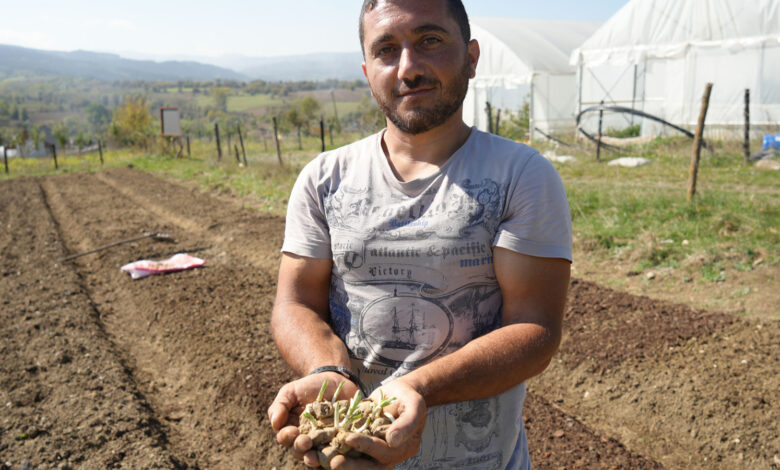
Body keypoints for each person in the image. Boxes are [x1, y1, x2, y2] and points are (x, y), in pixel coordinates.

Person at [267, 0, 572, 468]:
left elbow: (535, 329)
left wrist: (417, 388)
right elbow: (295, 303)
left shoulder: (520, 175)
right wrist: (328, 373)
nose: (408, 68)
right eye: (387, 50)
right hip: (349, 455)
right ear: (368, 71)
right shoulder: (324, 178)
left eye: (430, 41)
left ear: (471, 57)